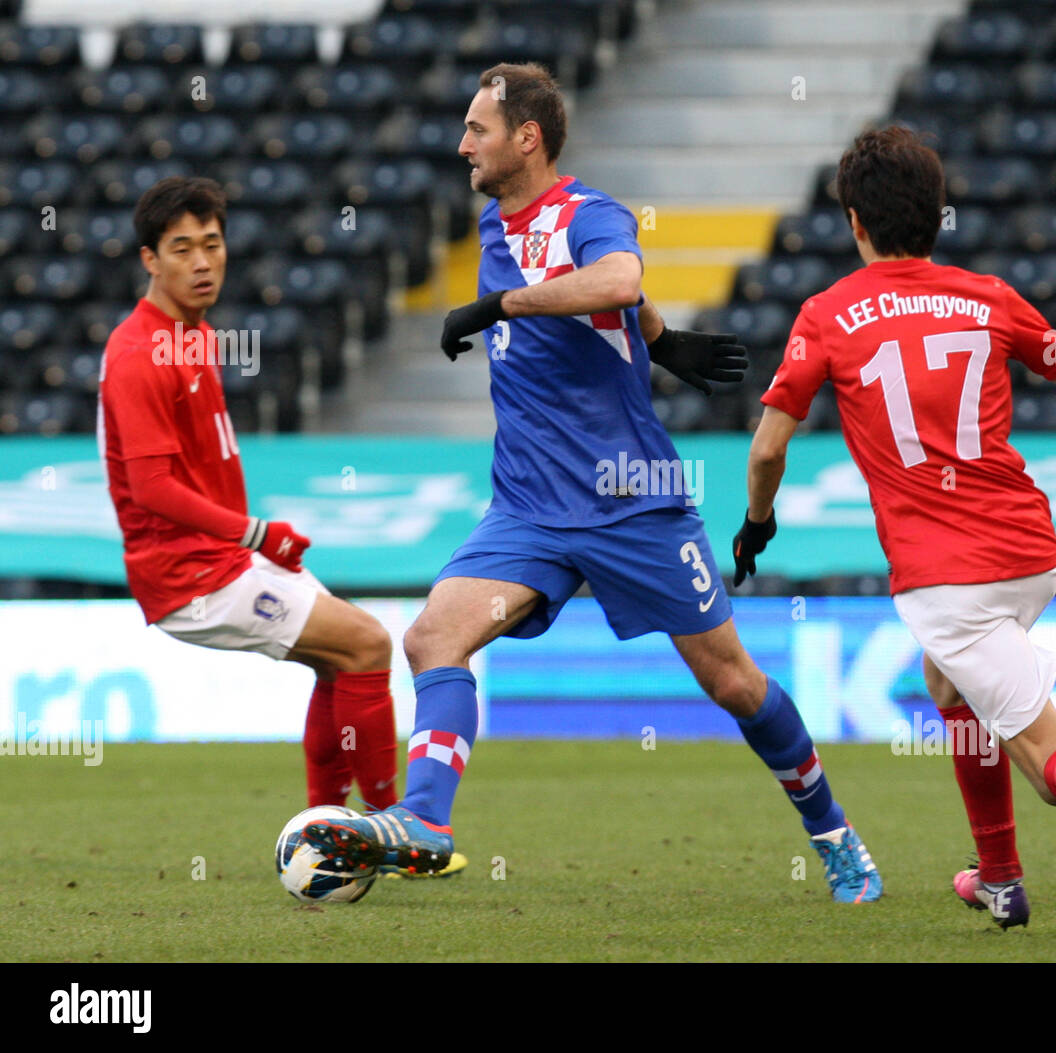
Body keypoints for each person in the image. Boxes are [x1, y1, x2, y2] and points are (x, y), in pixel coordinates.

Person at [303, 62, 882, 903]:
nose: (462, 143)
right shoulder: (496, 227)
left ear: (525, 138)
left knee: (733, 683)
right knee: (432, 637)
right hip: (531, 506)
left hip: (630, 497)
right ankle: (426, 820)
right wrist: (661, 339)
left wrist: (511, 308)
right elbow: (619, 305)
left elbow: (615, 279)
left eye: (478, 129)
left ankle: (833, 832)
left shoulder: (588, 212)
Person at [733, 125, 1056, 928]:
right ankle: (999, 878)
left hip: (948, 577)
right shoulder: (987, 296)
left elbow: (768, 448)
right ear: (938, 216)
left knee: (1049, 766)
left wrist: (756, 525)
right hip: (1030, 552)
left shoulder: (828, 314)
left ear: (853, 222)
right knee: (949, 687)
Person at [97, 176, 418, 839]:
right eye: (181, 248)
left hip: (222, 557)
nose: (202, 261)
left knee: (342, 658)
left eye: (211, 244)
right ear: (149, 259)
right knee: (367, 643)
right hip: (191, 574)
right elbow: (153, 487)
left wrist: (247, 538)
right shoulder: (137, 352)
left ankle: (327, 833)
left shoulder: (191, 333)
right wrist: (256, 532)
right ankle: (393, 827)